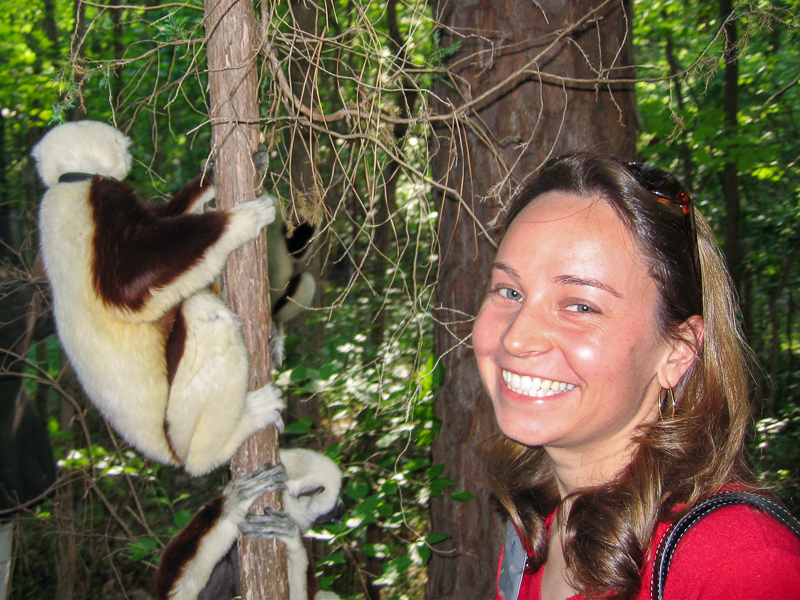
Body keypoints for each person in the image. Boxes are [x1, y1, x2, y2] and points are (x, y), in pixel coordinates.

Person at [472, 153, 800, 600]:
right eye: (509, 291)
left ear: (677, 351)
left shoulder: (737, 564)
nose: (516, 338)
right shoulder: (536, 530)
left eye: (580, 306)